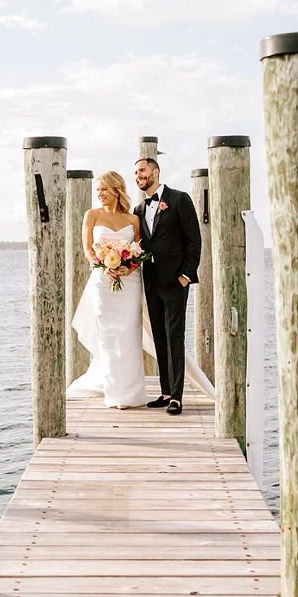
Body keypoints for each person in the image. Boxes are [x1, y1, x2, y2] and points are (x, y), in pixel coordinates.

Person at [66, 171, 148, 409]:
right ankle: (114, 393)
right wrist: (103, 265)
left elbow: (139, 252)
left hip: (130, 283)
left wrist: (129, 269)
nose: (99, 194)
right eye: (97, 190)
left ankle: (133, 393)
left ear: (116, 190)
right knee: (109, 336)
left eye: (103, 189)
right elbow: (88, 251)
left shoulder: (133, 220)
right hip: (102, 282)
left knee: (130, 335)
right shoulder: (91, 215)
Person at [133, 157, 202, 415]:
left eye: (142, 170)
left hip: (175, 281)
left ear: (155, 172)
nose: (138, 175)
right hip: (150, 282)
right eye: (136, 172)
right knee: (160, 337)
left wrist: (186, 275)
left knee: (175, 336)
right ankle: (164, 391)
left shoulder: (179, 199)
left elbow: (194, 240)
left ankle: (177, 396)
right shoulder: (139, 210)